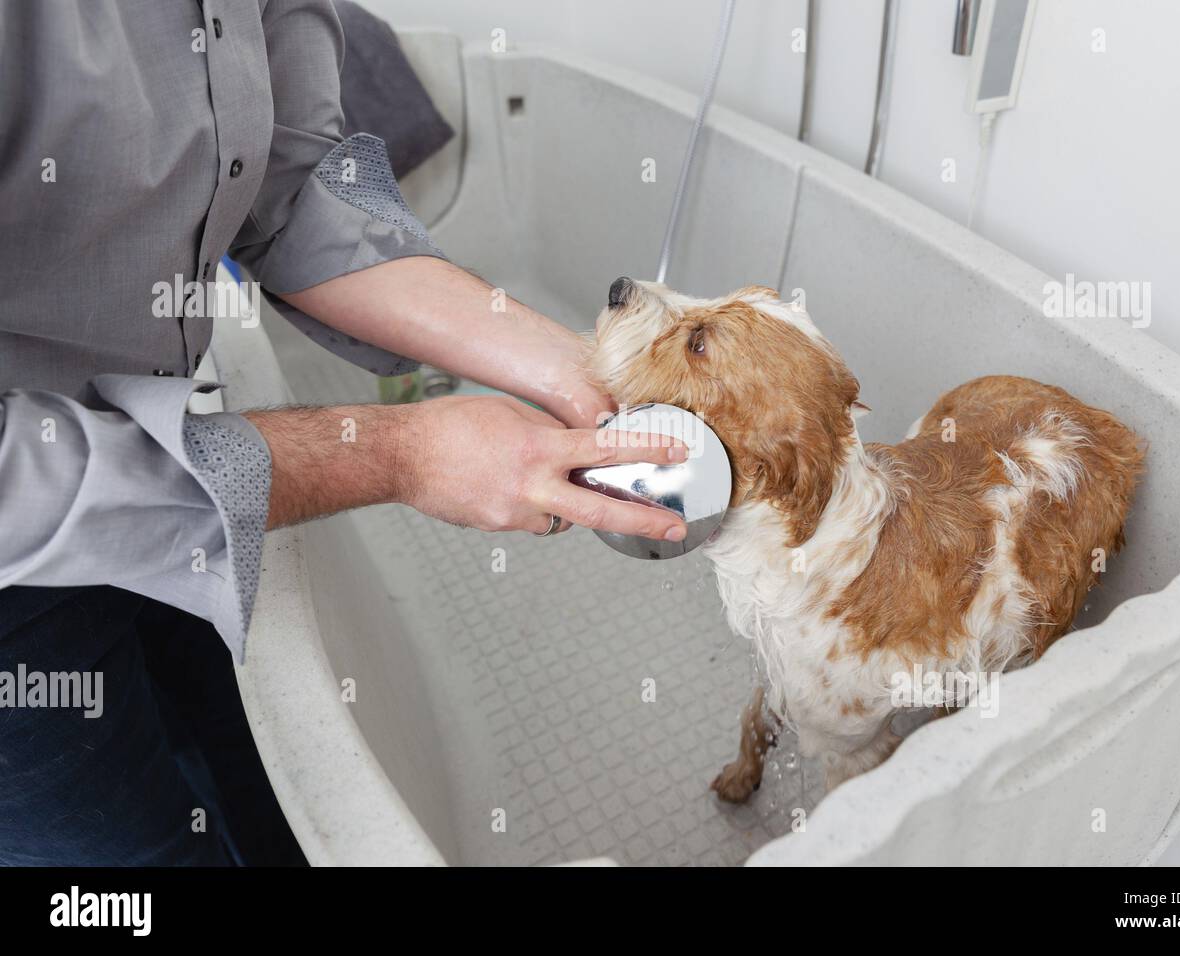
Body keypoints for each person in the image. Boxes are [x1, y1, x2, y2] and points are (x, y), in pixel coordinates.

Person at [0, 0, 686, 865]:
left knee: (259, 776)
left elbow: (292, 190)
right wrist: (403, 451)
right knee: (129, 856)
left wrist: (565, 364)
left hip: (155, 431)